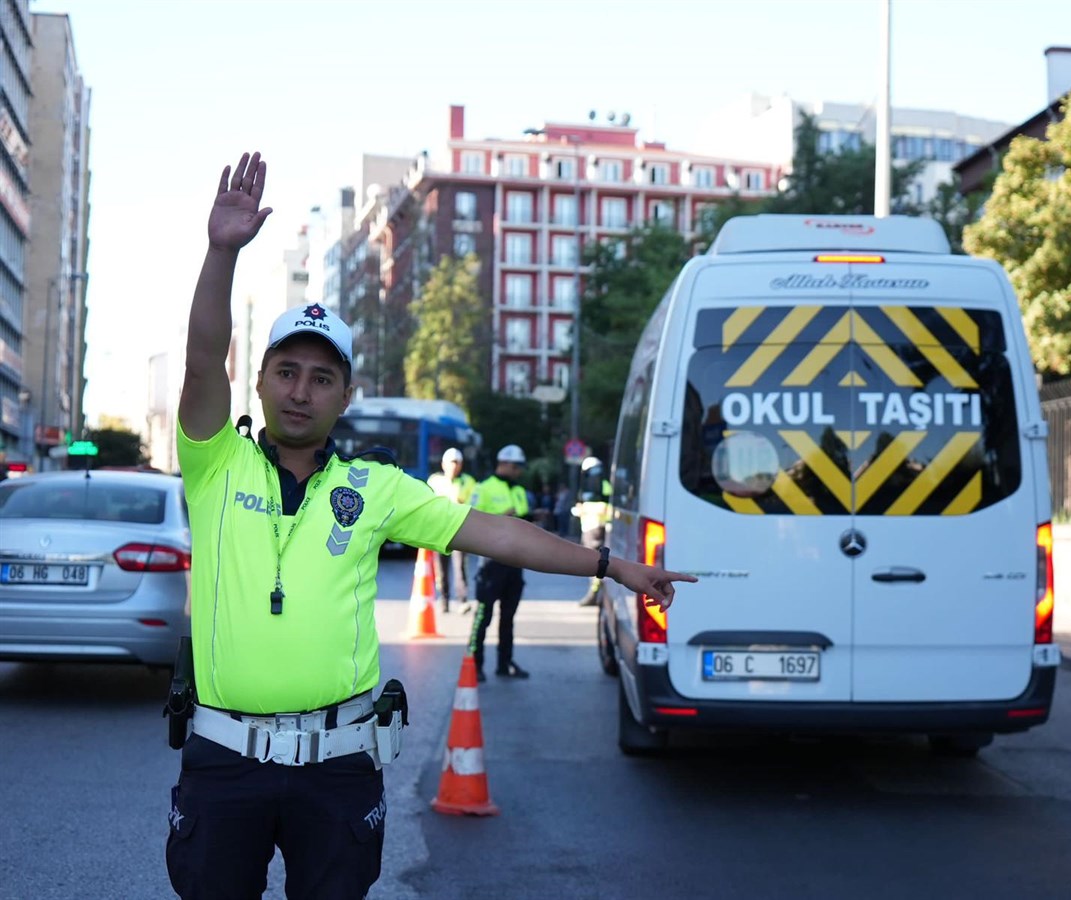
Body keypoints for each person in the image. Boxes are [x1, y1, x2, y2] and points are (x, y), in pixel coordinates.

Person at [169, 151, 695, 899]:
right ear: (258, 380)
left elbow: (498, 533)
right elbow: (198, 360)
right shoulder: (215, 466)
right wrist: (222, 252)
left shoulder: (374, 486)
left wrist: (611, 566)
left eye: (322, 378)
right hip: (224, 762)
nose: (300, 391)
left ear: (345, 396)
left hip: (338, 766)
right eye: (286, 372)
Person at [467, 444, 533, 680]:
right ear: (504, 463)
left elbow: (524, 520)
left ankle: (504, 663)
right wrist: (500, 518)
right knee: (483, 616)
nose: (519, 472)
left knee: (508, 617)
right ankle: (474, 665)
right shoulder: (483, 488)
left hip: (515, 562)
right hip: (491, 563)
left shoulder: (519, 490)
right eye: (516, 467)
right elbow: (470, 520)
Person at [426, 447, 476, 614]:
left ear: (461, 465)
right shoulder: (434, 480)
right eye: (451, 463)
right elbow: (428, 504)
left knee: (460, 565)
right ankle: (444, 599)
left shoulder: (468, 481)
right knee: (441, 567)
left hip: (461, 529)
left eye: (457, 463)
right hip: (439, 530)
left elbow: (474, 503)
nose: (454, 467)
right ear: (443, 464)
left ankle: (462, 600)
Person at [572, 456, 612, 607]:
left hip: (595, 526)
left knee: (596, 562)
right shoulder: (601, 483)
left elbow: (605, 505)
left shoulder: (597, 484)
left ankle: (594, 594)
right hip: (591, 526)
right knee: (595, 561)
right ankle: (595, 593)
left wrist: (583, 509)